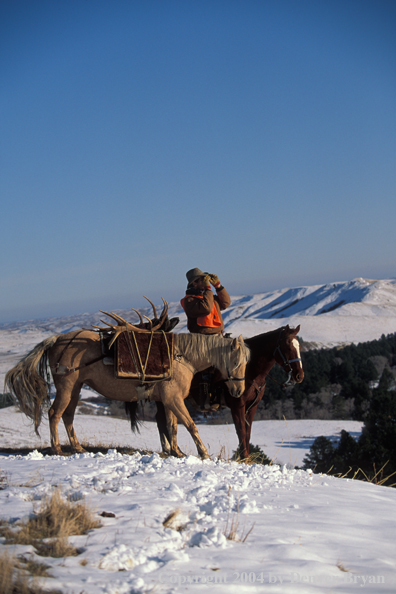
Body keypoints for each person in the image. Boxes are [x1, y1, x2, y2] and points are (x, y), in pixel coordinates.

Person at [180, 268, 231, 410]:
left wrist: (218, 286)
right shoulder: (189, 301)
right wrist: (208, 289)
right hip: (202, 341)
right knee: (207, 371)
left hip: (218, 337)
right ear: (194, 284)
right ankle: (206, 398)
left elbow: (226, 303)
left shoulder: (208, 296)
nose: (205, 282)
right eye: (202, 280)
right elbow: (207, 309)